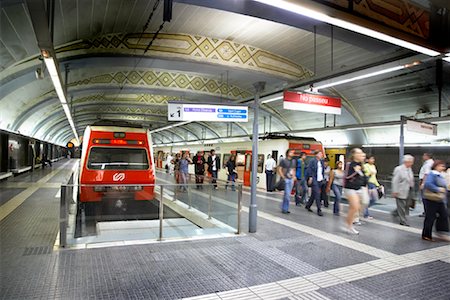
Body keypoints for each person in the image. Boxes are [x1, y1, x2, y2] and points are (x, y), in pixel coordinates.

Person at [422, 160, 449, 241]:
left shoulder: (439, 175)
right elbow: (428, 184)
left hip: (439, 199)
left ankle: (441, 232)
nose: (443, 168)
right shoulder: (432, 174)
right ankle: (426, 235)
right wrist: (438, 189)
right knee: (430, 217)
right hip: (431, 199)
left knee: (443, 215)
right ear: (436, 166)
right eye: (441, 166)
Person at [343, 148, 367, 234]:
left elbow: (363, 177)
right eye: (359, 153)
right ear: (354, 155)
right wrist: (355, 172)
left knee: (356, 207)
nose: (361, 154)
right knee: (354, 206)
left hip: (359, 188)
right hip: (350, 188)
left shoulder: (361, 164)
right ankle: (349, 226)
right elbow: (346, 176)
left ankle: (348, 223)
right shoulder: (350, 164)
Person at [392, 154, 415, 226]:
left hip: (409, 189)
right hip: (400, 190)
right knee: (401, 205)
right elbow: (395, 181)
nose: (412, 163)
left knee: (407, 204)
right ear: (406, 162)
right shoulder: (399, 169)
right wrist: (395, 191)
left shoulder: (409, 169)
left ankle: (396, 212)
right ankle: (403, 220)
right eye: (411, 162)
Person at [305, 150, 325, 216]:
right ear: (316, 154)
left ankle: (308, 205)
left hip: (320, 179)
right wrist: (310, 177)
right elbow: (309, 169)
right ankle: (319, 209)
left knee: (314, 194)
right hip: (314, 179)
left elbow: (322, 171)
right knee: (317, 194)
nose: (321, 155)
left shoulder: (321, 162)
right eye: (320, 153)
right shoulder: (312, 161)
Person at [277, 149, 296, 214]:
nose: (292, 153)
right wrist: (283, 177)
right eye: (291, 152)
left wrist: (294, 177)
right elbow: (279, 169)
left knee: (287, 195)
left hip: (291, 179)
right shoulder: (283, 161)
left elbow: (293, 169)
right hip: (286, 179)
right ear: (287, 153)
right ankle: (284, 208)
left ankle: (284, 207)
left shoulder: (293, 161)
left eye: (293, 152)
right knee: (287, 195)